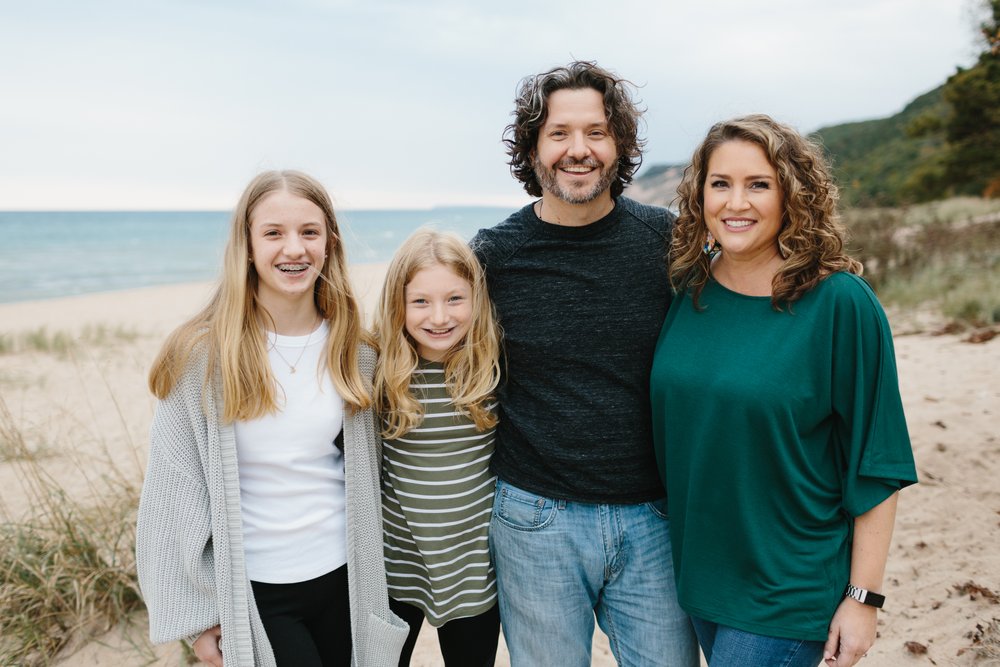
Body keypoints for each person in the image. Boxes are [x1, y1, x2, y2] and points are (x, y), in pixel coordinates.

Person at [650, 115, 919, 667]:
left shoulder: (840, 304)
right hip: (698, 578)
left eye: (758, 184)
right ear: (700, 194)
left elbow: (877, 461)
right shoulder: (688, 290)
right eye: (720, 183)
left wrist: (862, 600)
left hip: (788, 586)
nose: (735, 202)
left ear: (791, 194)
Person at [471, 60, 699, 666]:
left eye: (596, 132)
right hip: (533, 518)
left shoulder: (669, 242)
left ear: (619, 143)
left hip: (655, 518)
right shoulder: (493, 256)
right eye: (560, 133)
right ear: (533, 148)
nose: (579, 150)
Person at [135, 170, 408, 667]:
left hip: (348, 581)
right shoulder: (201, 358)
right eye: (273, 233)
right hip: (259, 592)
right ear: (247, 245)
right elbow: (172, 496)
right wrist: (200, 615)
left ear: (329, 243)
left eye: (309, 232)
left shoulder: (358, 352)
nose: (294, 249)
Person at [372, 228, 503, 666]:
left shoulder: (490, 367)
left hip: (472, 566)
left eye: (454, 299)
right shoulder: (380, 372)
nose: (440, 316)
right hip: (398, 559)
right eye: (421, 302)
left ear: (476, 299)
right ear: (399, 304)